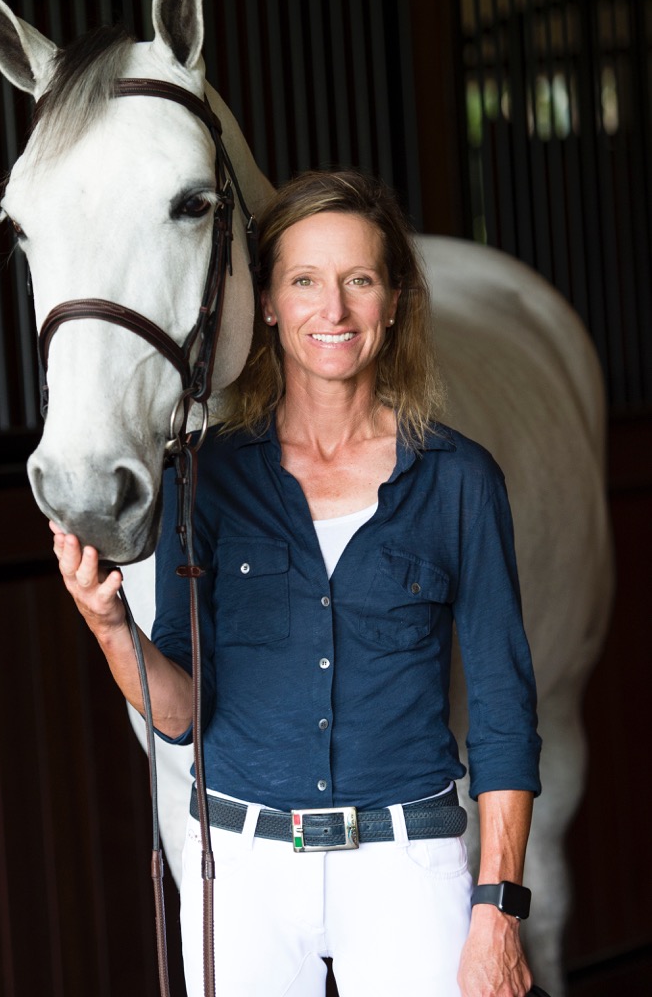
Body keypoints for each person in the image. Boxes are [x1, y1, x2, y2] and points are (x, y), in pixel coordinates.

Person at [52, 170, 542, 997]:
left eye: (359, 280)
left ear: (393, 302)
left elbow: (503, 714)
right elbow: (181, 716)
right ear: (270, 303)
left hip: (406, 865)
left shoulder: (461, 481)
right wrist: (110, 628)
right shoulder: (203, 480)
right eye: (305, 280)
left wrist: (497, 911)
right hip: (241, 874)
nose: (335, 310)